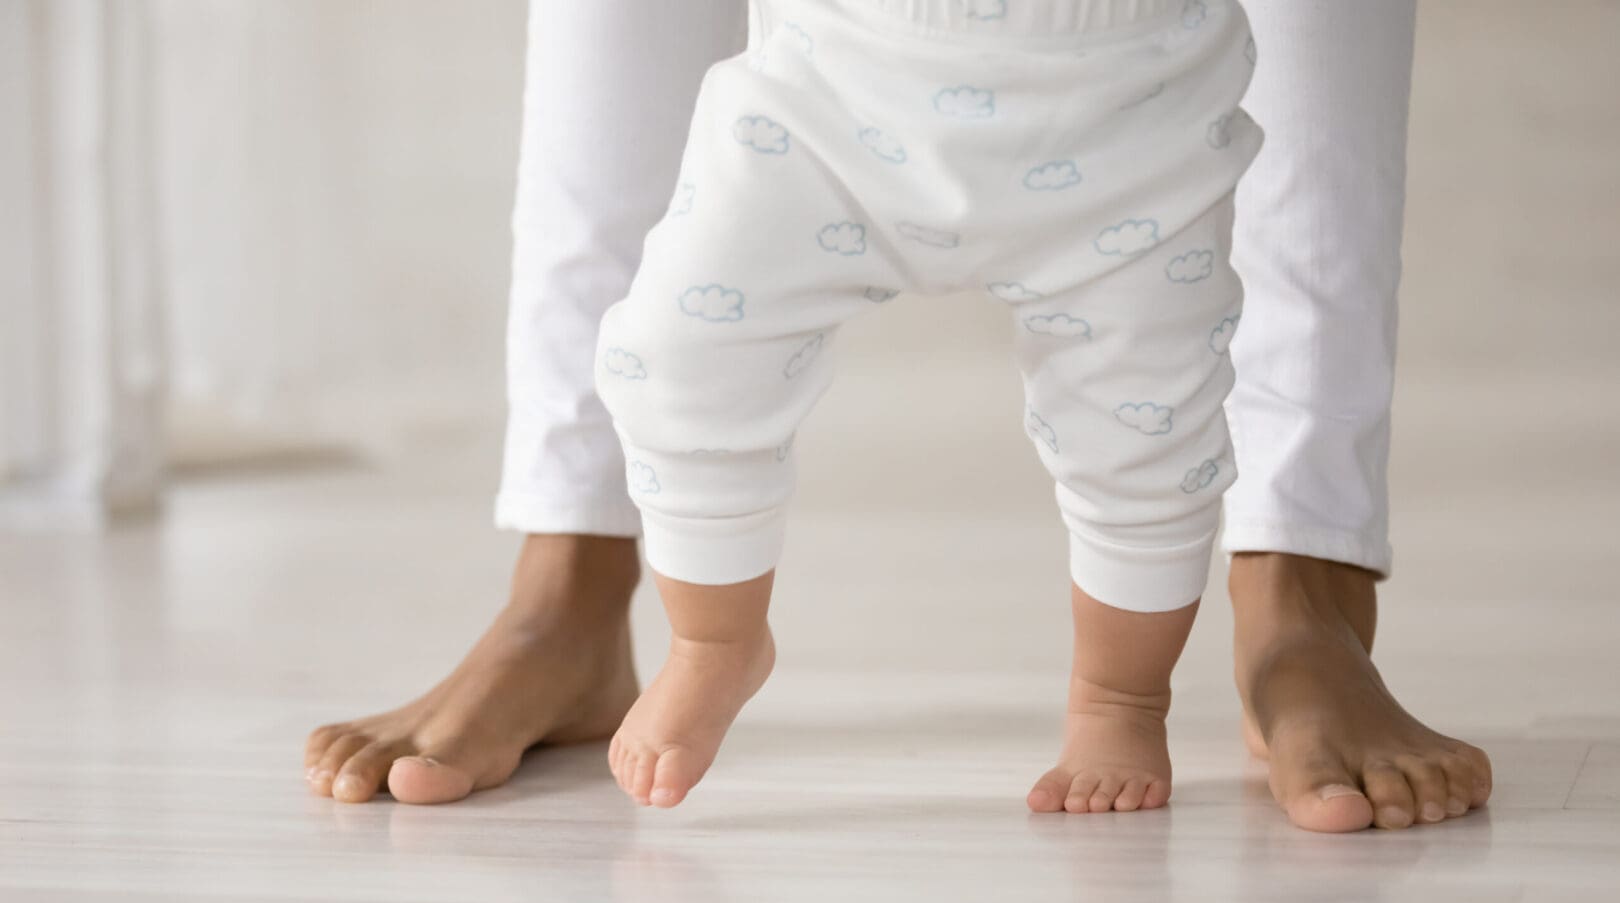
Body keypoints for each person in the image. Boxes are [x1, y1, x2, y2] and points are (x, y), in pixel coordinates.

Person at [304, 0, 1492, 832]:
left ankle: (1120, 700)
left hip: (1131, 108)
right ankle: (710, 638)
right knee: (670, 357)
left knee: (1147, 441)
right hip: (827, 99)